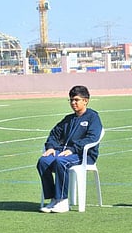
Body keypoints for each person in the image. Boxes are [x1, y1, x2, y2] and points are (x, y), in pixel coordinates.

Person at [37, 85, 103, 213]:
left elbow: (92, 138)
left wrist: (73, 149)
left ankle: (62, 201)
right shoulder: (68, 119)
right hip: (63, 152)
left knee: (61, 162)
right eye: (71, 100)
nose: (73, 103)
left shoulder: (93, 117)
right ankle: (53, 199)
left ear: (86, 100)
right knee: (43, 161)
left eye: (76, 100)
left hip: (84, 155)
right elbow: (54, 134)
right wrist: (50, 147)